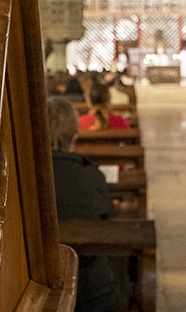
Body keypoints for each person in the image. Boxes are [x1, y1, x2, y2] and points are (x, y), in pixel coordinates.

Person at [47, 97, 123, 312]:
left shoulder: (19, 178)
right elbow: (106, 215)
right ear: (75, 135)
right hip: (90, 292)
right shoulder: (89, 175)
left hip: (34, 287)